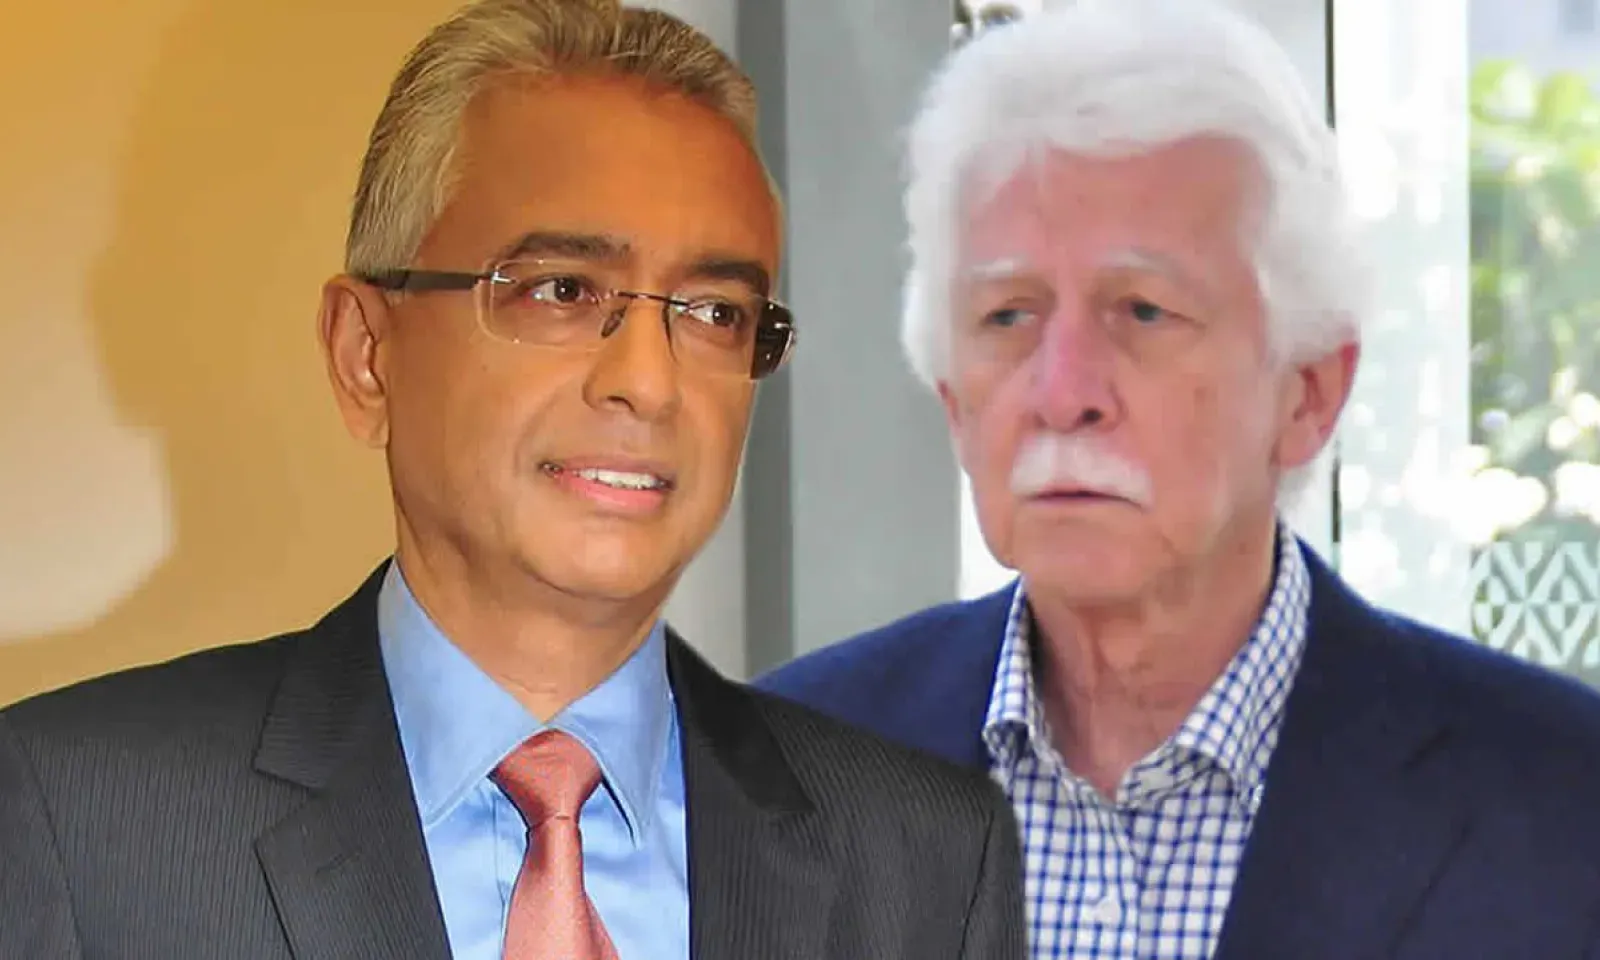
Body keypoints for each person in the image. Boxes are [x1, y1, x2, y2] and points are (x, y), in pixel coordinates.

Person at [0, 2, 1024, 958]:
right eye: (561, 290)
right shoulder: (76, 822)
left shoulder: (926, 862)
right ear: (367, 355)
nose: (648, 382)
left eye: (715, 313)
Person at [760, 1, 1600, 957]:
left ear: (1310, 392)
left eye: (1145, 311)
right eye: (1007, 315)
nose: (1062, 393)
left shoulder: (1563, 811)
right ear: (952, 398)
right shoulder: (764, 782)